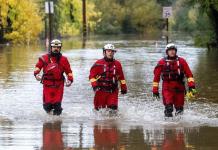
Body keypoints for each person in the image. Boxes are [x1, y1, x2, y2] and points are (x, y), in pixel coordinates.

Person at [152, 43, 196, 117]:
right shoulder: (162, 62)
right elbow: (156, 78)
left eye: (173, 50)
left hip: (179, 88)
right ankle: (168, 126)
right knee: (168, 108)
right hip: (167, 88)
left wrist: (192, 86)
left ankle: (178, 126)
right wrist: (155, 90)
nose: (172, 52)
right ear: (167, 52)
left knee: (179, 110)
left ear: (176, 51)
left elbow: (189, 75)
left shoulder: (182, 61)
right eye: (170, 50)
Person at [34, 39, 73, 115]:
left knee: (57, 106)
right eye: (54, 47)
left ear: (60, 48)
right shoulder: (44, 58)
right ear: (51, 48)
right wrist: (36, 74)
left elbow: (69, 72)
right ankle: (49, 122)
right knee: (47, 106)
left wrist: (70, 80)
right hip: (47, 85)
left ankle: (57, 123)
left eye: (58, 47)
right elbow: (37, 67)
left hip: (59, 85)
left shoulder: (64, 60)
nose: (56, 49)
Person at [89, 44, 127, 112]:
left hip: (113, 91)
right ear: (104, 52)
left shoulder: (117, 64)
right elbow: (91, 77)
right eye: (108, 51)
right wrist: (94, 86)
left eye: (112, 51)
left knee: (113, 109)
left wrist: (124, 87)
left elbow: (121, 78)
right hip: (100, 91)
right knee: (98, 110)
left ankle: (112, 122)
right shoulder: (98, 63)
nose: (110, 53)